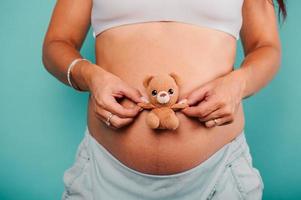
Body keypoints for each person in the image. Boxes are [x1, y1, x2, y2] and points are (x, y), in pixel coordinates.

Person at [42, 0, 286, 199]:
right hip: (104, 172)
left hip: (219, 175)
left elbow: (265, 46)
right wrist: (89, 75)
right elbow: (56, 43)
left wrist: (238, 83)